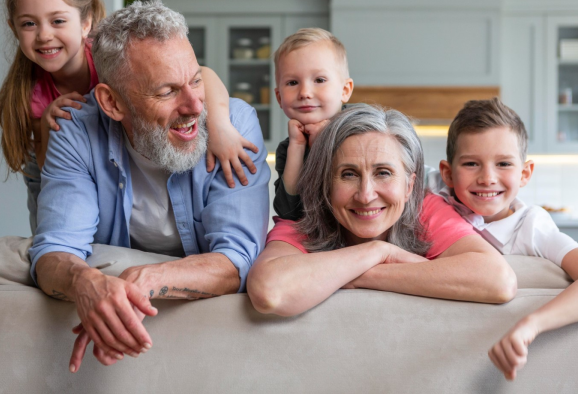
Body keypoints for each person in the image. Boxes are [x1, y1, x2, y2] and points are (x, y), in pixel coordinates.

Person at [28, 0, 271, 372]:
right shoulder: (75, 130)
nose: (194, 105)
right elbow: (55, 248)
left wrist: (143, 280)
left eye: (195, 80)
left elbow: (237, 260)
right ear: (111, 102)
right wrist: (87, 284)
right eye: (166, 91)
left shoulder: (234, 125)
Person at [0, 0, 258, 234]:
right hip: (56, 166)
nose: (44, 35)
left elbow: (202, 75)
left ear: (86, 24)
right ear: (14, 28)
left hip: (116, 147)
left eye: (58, 20)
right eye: (28, 24)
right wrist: (52, 128)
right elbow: (57, 176)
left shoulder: (111, 56)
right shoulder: (30, 96)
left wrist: (220, 126)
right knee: (49, 236)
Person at [247, 104, 516, 318]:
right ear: (325, 183)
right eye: (348, 174)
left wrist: (361, 273)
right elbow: (269, 290)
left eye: (383, 173)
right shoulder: (304, 220)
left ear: (410, 186)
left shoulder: (426, 209)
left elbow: (498, 280)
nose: (366, 195)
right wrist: (378, 251)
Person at [427, 97, 578, 381]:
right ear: (447, 173)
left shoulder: (532, 227)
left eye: (503, 164)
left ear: (525, 173)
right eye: (471, 163)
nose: (487, 178)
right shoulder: (434, 198)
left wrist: (531, 325)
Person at [272, 28, 354, 220]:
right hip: (315, 235)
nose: (305, 93)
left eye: (319, 80)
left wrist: (323, 145)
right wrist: (298, 147)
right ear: (279, 97)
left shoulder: (363, 128)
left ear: (344, 90)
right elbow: (287, 212)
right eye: (292, 83)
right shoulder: (288, 148)